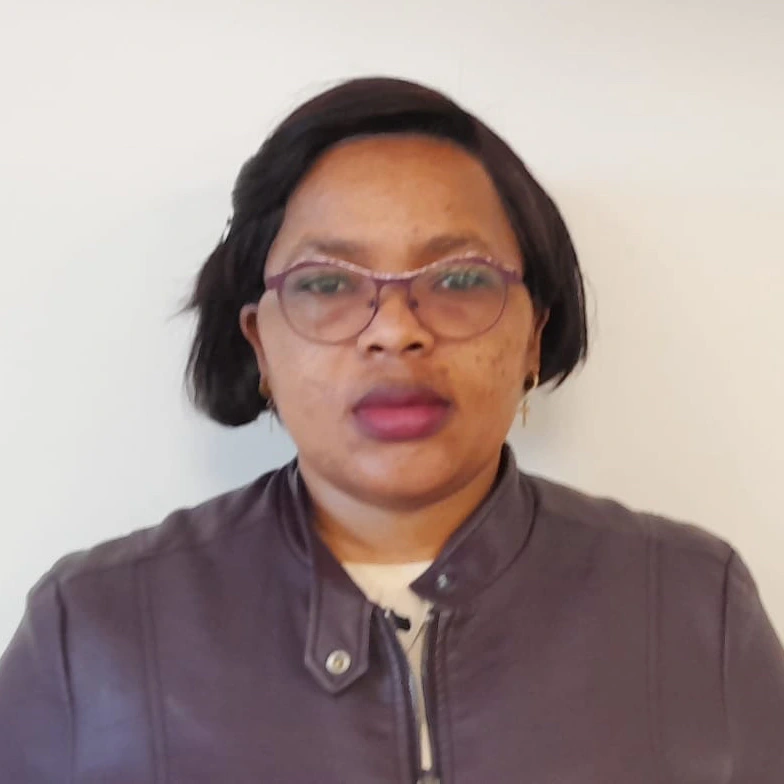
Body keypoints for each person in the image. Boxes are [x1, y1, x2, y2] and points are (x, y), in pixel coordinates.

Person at [1, 77, 782, 783]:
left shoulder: (691, 606)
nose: (396, 331)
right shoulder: (91, 630)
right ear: (259, 344)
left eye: (460, 278)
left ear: (534, 337)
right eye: (327, 283)